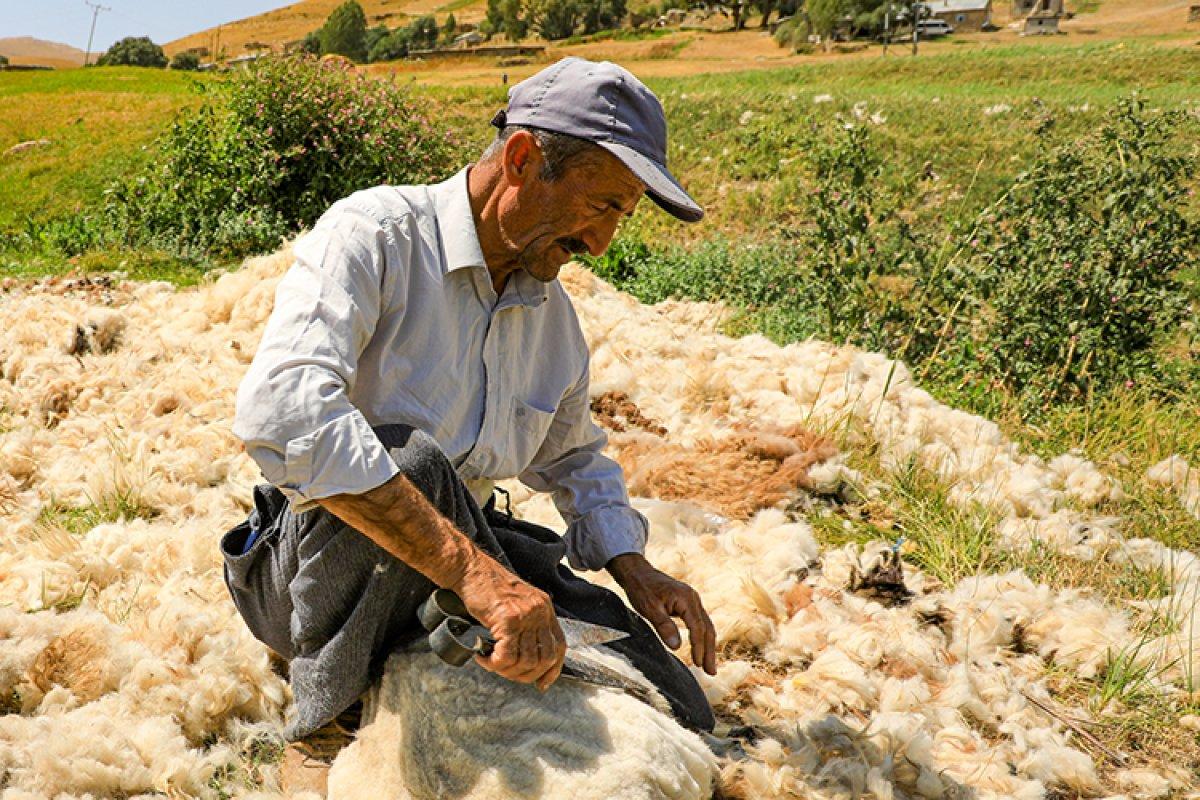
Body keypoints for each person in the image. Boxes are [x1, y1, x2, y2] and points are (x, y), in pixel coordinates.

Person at [221, 56, 718, 754]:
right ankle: (327, 722)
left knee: (676, 701)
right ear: (521, 158)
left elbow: (574, 455)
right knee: (409, 460)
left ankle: (444, 636)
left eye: (621, 217)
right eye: (602, 206)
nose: (602, 243)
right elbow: (284, 410)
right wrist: (478, 576)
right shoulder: (376, 236)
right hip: (314, 569)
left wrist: (634, 568)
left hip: (456, 549)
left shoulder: (550, 318)